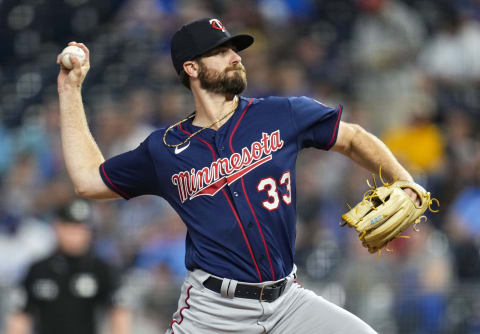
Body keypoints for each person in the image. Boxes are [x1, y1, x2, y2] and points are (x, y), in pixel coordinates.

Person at [56, 18, 421, 334]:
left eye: (235, 49)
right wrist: (69, 89)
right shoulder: (163, 149)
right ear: (192, 68)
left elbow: (353, 138)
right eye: (221, 51)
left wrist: (407, 182)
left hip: (288, 302)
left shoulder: (281, 114)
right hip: (214, 311)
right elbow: (87, 180)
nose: (236, 57)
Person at [6, 199, 131, 334]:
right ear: (57, 227)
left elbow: (118, 313)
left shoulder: (101, 269)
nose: (76, 234)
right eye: (70, 226)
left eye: (81, 228)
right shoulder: (38, 269)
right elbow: (20, 315)